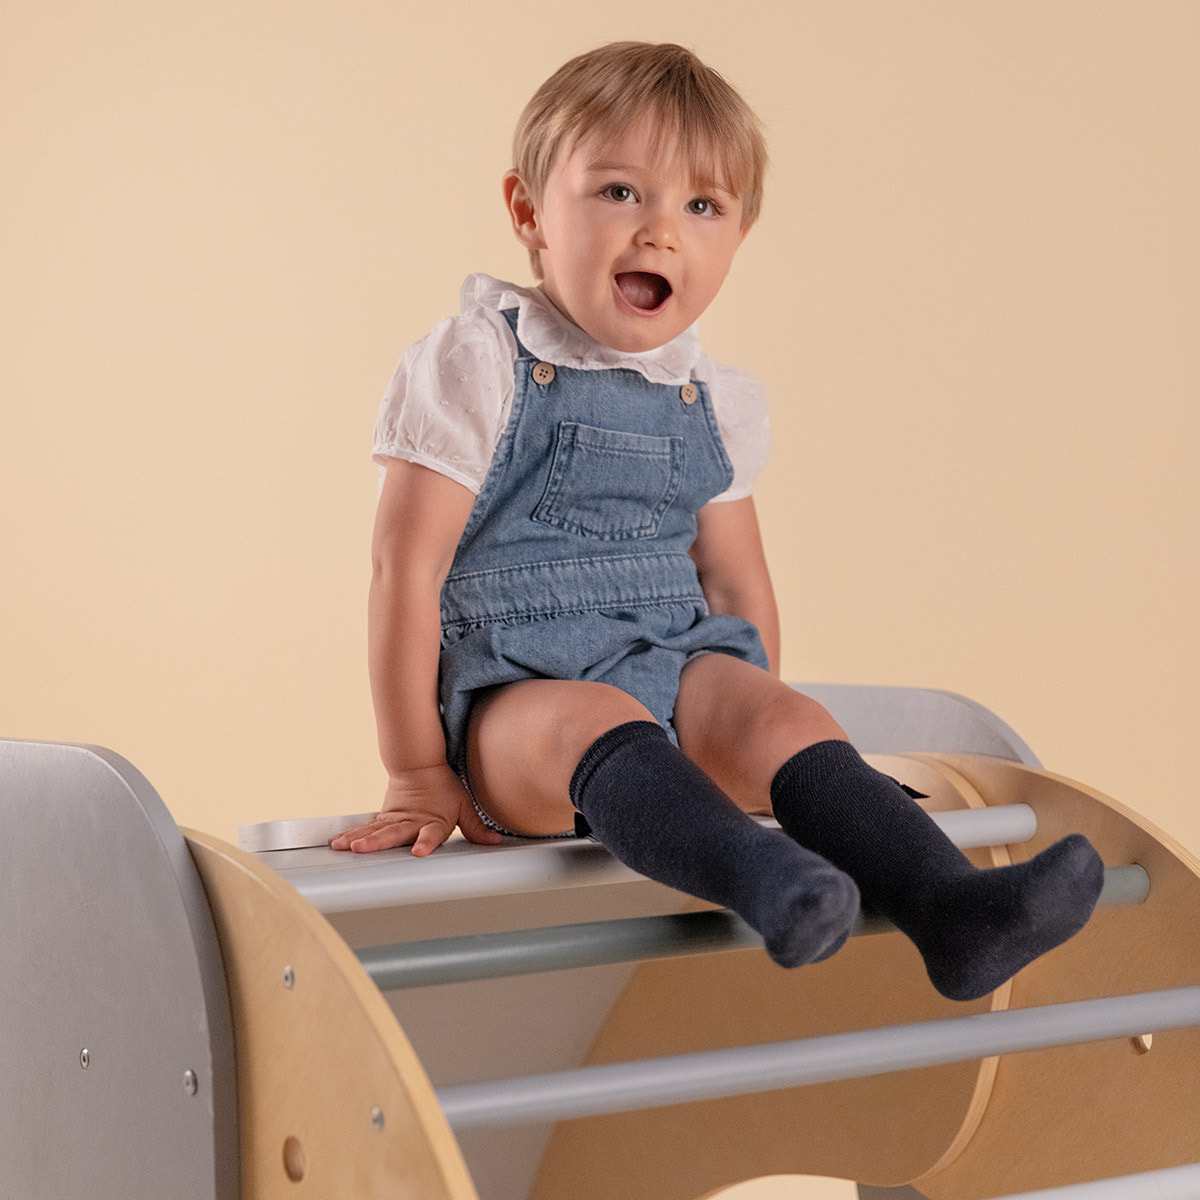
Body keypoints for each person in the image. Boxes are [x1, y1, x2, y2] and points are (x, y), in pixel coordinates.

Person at [330, 41, 1104, 1002]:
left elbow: (738, 588)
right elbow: (404, 570)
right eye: (620, 192)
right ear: (529, 211)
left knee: (785, 709)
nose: (660, 232)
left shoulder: (707, 395)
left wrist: (753, 734)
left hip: (674, 662)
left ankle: (950, 909)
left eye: (702, 207)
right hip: (514, 702)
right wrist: (415, 771)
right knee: (596, 714)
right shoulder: (478, 364)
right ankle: (765, 883)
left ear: (737, 237)